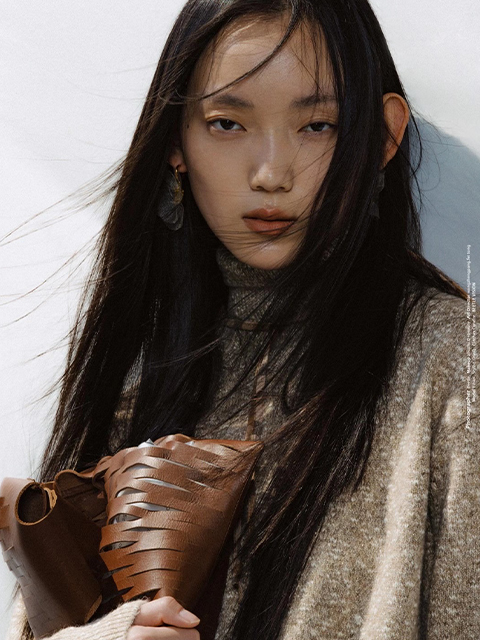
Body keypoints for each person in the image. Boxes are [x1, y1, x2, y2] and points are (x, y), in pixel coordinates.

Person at [5, 0, 480, 639]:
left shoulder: (454, 365)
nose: (271, 173)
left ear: (382, 139)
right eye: (227, 123)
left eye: (318, 125)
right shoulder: (138, 385)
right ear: (176, 143)